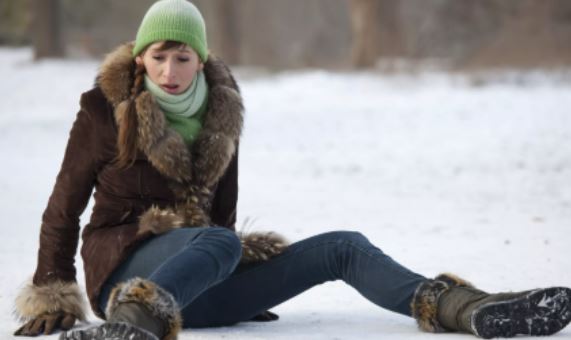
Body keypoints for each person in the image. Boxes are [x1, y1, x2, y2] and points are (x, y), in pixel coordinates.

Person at [13, 1, 571, 339]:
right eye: (159, 55)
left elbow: (219, 213)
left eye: (183, 57)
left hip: (198, 286)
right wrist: (52, 293)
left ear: (200, 59)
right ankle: (132, 329)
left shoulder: (221, 113)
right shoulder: (102, 111)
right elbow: (63, 207)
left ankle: (463, 309)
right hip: (123, 272)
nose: (170, 69)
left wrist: (238, 285)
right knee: (220, 242)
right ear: (140, 58)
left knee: (343, 246)